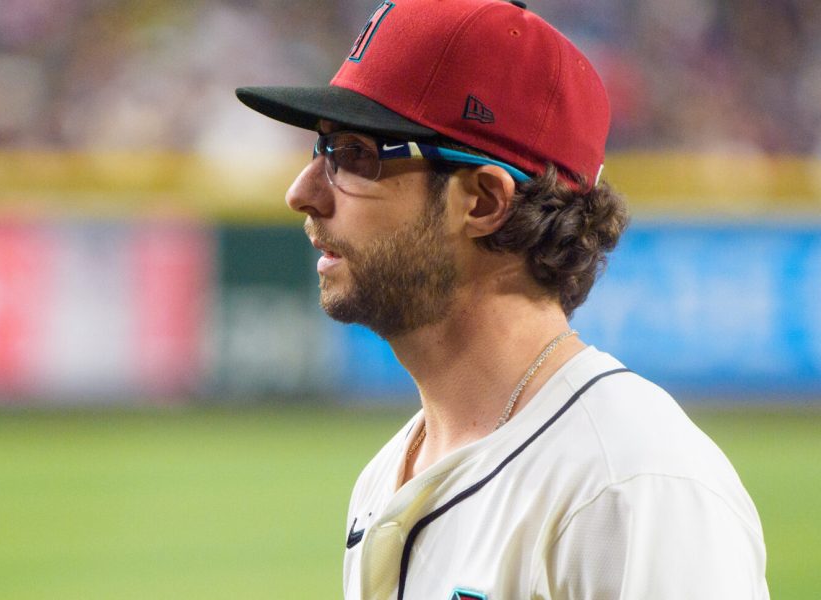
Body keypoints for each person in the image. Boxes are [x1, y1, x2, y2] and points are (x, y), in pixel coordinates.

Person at [236, 1, 769, 598]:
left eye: (354, 155)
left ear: (485, 202)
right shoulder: (387, 475)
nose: (301, 193)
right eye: (320, 149)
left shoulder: (632, 485)